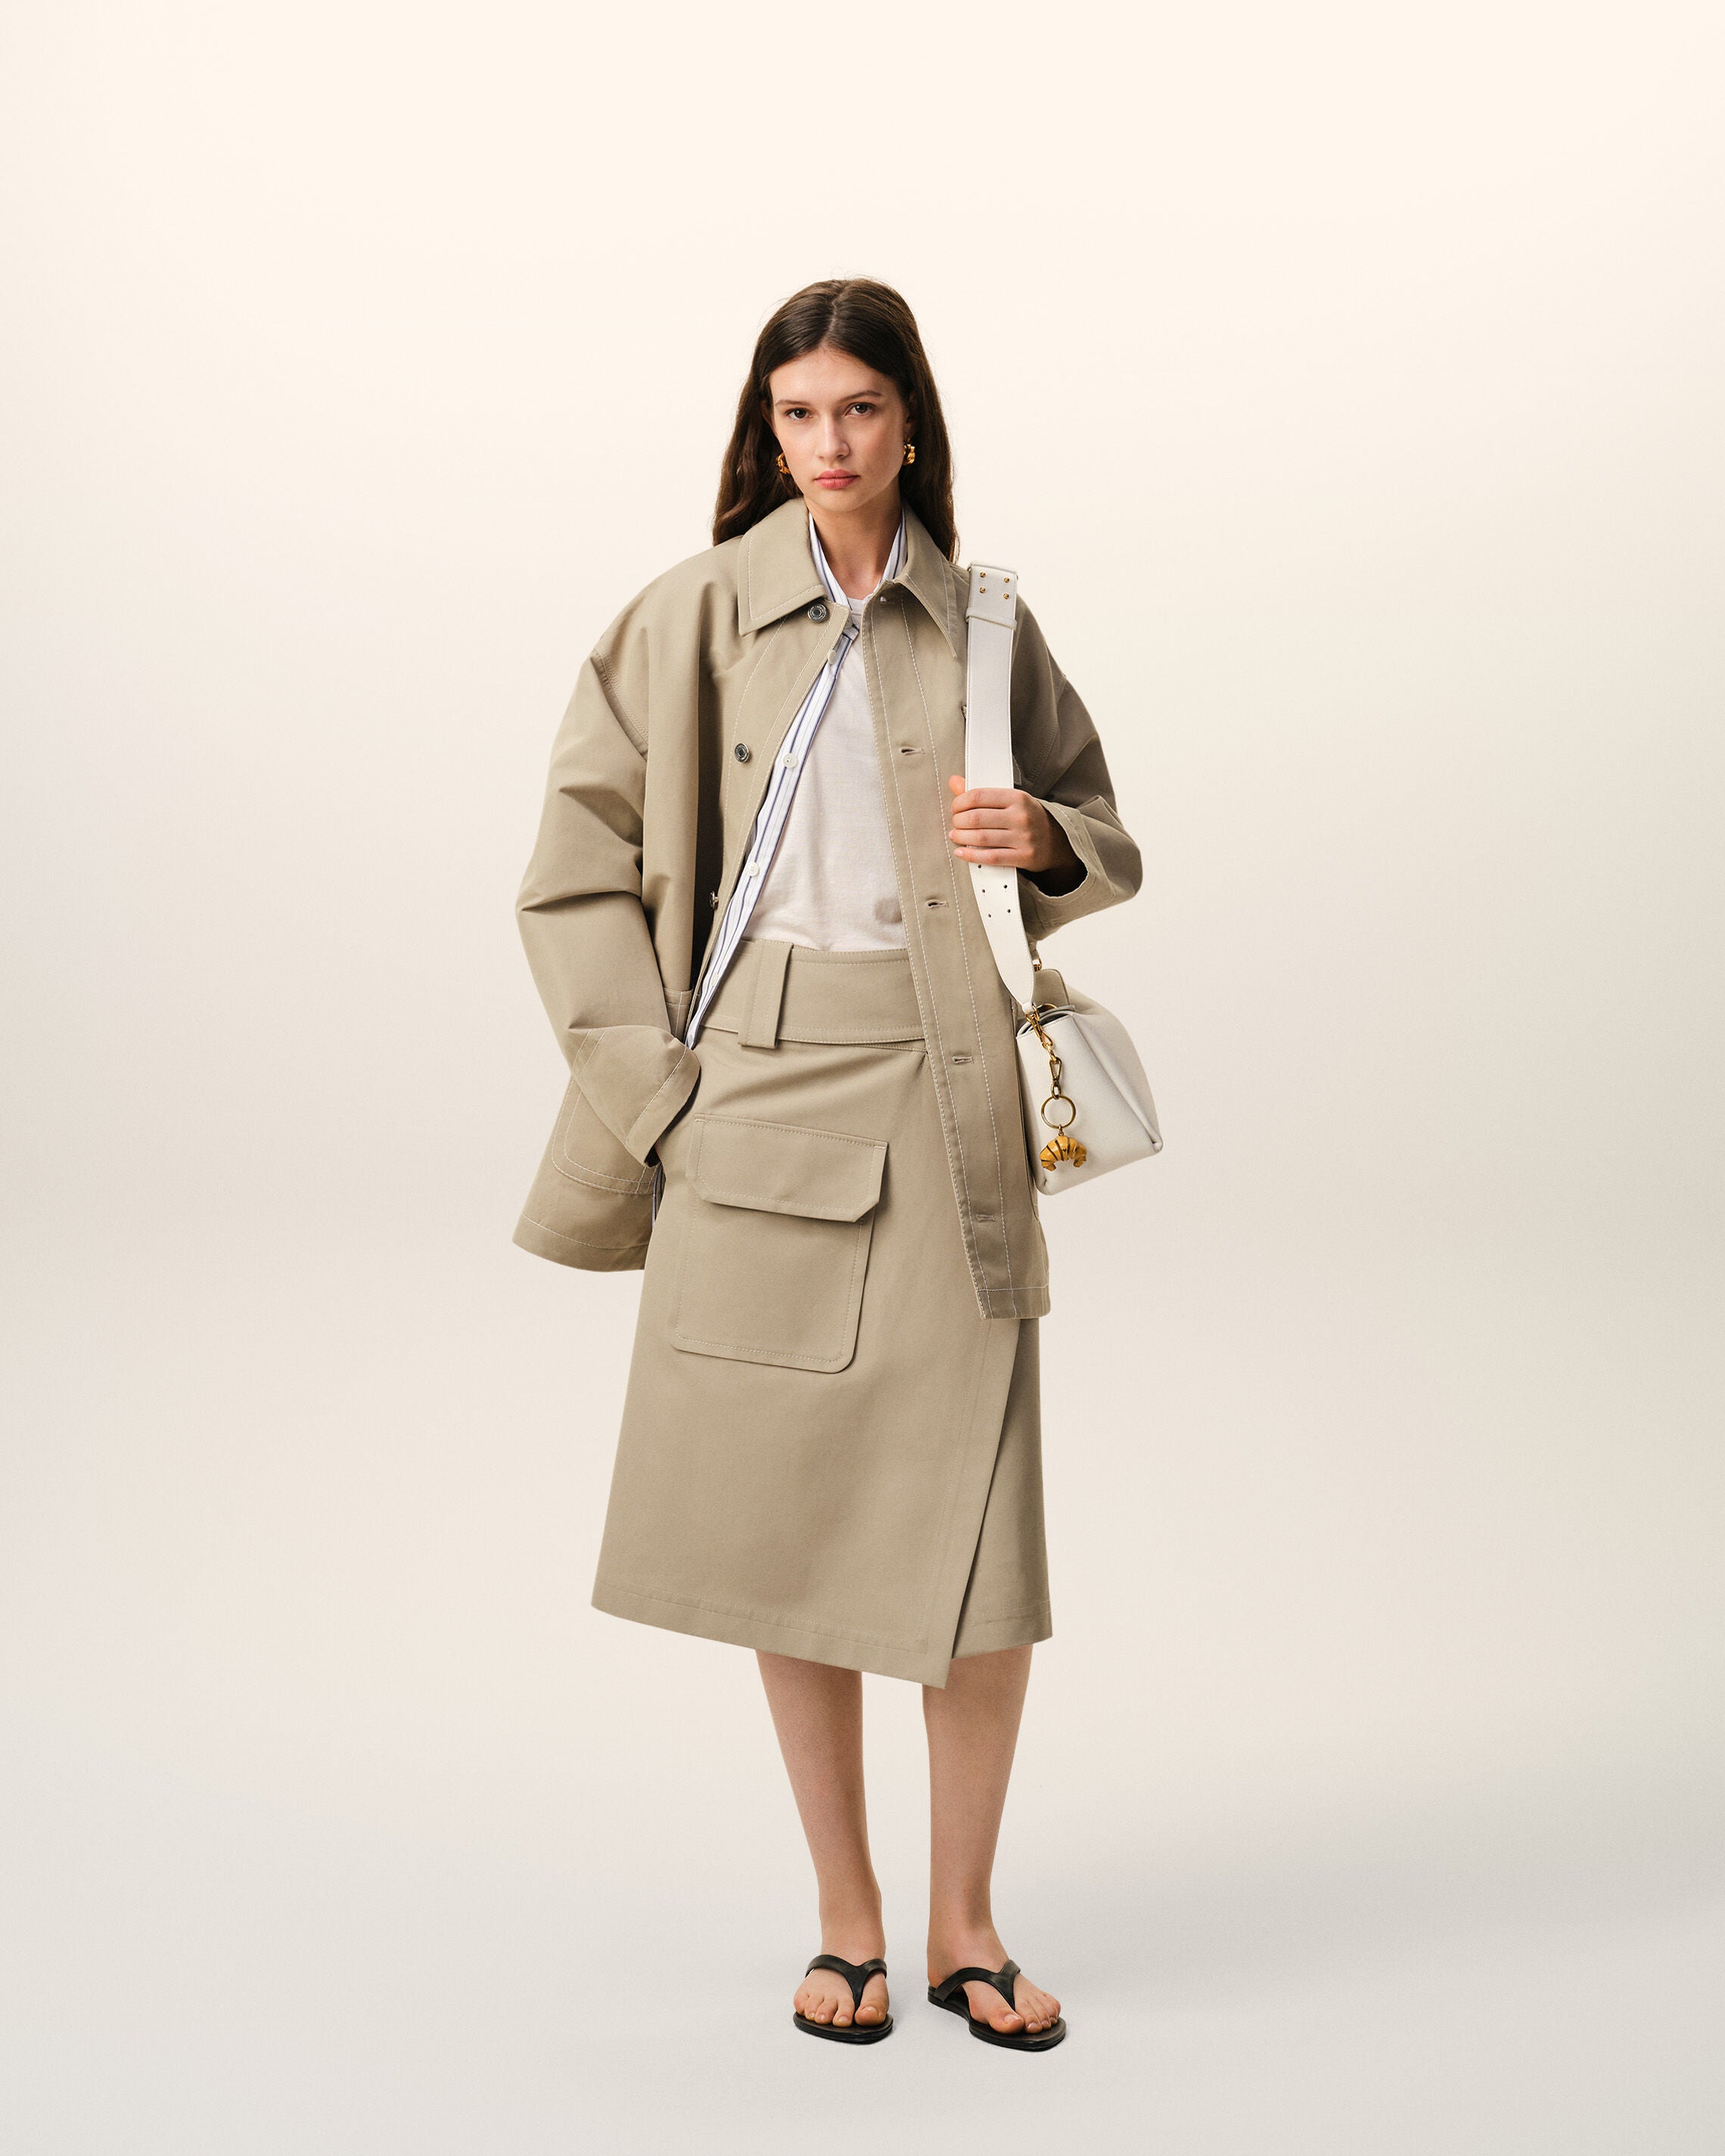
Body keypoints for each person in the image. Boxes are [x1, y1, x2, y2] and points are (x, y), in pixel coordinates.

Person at [513, 278, 1142, 2051]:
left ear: (910, 421)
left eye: (860, 408)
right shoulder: (692, 612)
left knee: (978, 1541)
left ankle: (966, 1924)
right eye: (799, 413)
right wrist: (662, 1101)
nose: (831, 442)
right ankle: (848, 1920)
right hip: (756, 1100)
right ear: (766, 429)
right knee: (786, 1526)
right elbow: (572, 869)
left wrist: (1047, 837)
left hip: (950, 1096)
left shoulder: (990, 623)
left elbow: (1103, 836)